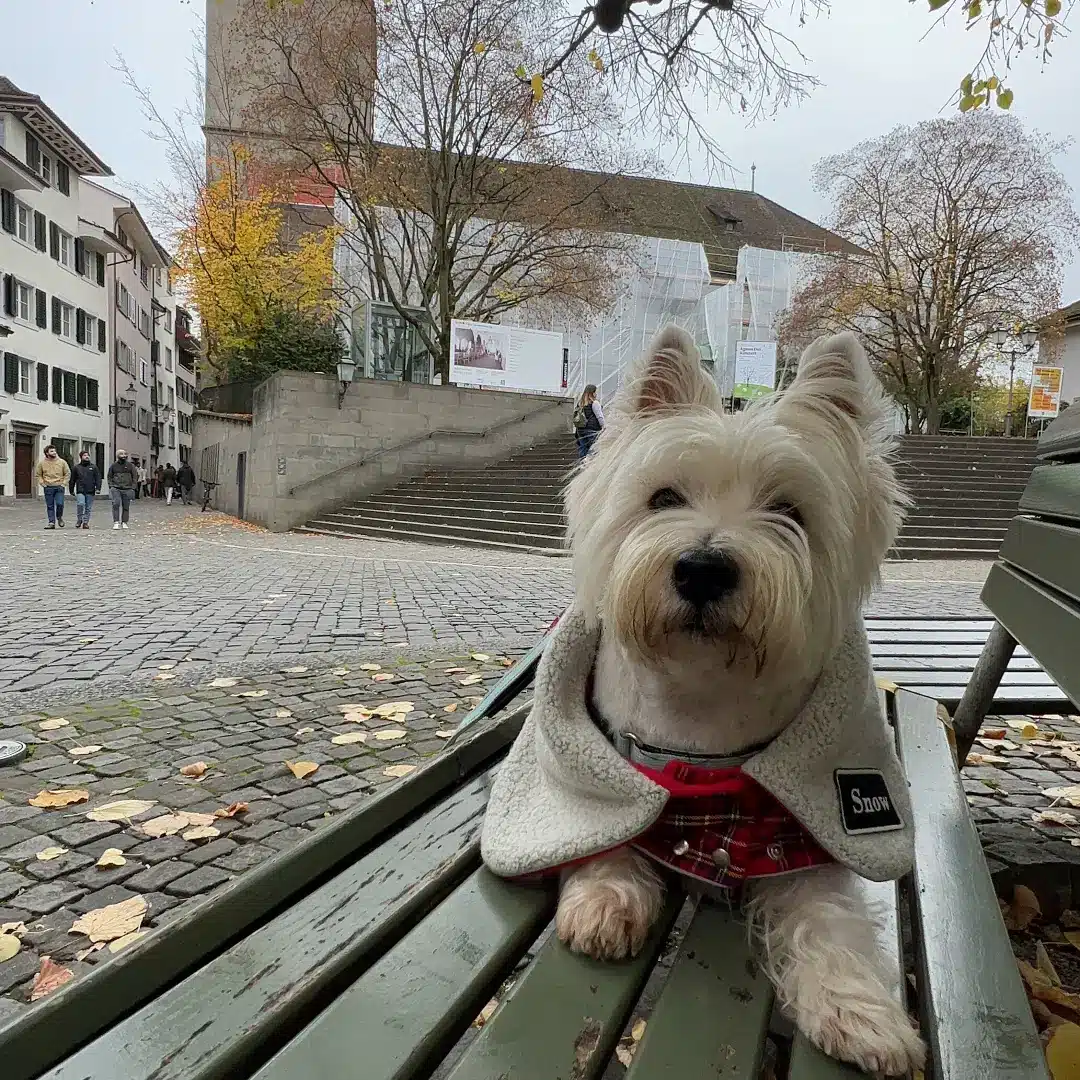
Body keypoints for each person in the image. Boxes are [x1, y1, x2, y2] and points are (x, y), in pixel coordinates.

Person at [35, 445, 71, 529]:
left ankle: (59, 517)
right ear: (47, 453)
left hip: (59, 486)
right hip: (48, 487)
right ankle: (51, 522)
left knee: (60, 504)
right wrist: (42, 483)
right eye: (51, 451)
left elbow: (67, 473)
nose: (54, 453)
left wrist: (63, 484)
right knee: (50, 506)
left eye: (54, 451)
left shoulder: (62, 462)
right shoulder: (42, 463)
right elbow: (38, 475)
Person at [69, 450, 101, 530]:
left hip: (90, 490)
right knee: (80, 504)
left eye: (88, 455)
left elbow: (98, 478)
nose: (87, 456)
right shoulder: (76, 467)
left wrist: (98, 488)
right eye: (84, 455)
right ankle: (79, 519)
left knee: (88, 507)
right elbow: (72, 479)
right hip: (80, 489)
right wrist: (71, 489)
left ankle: (85, 522)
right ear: (81, 457)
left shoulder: (94, 467)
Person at [107, 449, 139, 530]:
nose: (124, 455)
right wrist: (111, 486)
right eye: (121, 454)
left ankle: (124, 522)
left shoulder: (130, 466)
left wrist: (133, 487)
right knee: (116, 504)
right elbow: (109, 476)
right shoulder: (113, 466)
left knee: (126, 506)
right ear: (117, 455)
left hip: (127, 488)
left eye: (125, 454)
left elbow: (135, 476)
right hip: (116, 488)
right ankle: (116, 522)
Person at [573, 384, 604, 459]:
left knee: (583, 449)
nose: (596, 394)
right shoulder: (594, 403)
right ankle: (589, 467)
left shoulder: (580, 404)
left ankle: (582, 466)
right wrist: (603, 427)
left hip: (580, 430)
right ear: (592, 393)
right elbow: (600, 417)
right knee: (593, 449)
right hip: (592, 429)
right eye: (595, 392)